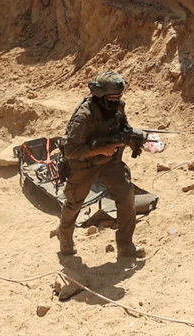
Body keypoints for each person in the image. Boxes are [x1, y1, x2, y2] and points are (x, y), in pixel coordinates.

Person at [56, 71, 147, 260]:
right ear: (100, 97)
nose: (117, 101)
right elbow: (71, 150)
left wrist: (132, 139)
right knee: (74, 203)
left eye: (119, 97)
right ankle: (64, 237)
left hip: (108, 162)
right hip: (83, 163)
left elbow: (123, 128)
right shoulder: (84, 116)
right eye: (112, 97)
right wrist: (101, 150)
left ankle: (125, 245)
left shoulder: (118, 107)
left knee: (126, 195)